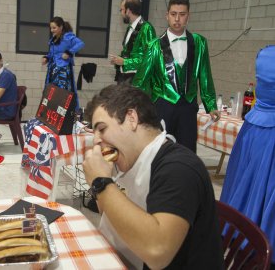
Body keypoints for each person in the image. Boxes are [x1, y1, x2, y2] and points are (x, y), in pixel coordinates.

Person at [82, 84, 224, 269]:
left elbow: (157, 252)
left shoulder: (179, 168)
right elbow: (111, 216)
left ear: (131, 118)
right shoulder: (131, 160)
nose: (97, 140)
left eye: (102, 129)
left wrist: (101, 182)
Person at [133, 0, 220, 153]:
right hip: (163, 105)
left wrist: (211, 104)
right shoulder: (154, 45)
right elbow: (141, 79)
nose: (177, 19)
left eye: (182, 14)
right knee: (160, 150)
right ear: (167, 16)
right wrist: (133, 105)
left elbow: (205, 74)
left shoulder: (200, 42)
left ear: (188, 16)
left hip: (188, 106)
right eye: (173, 14)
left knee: (187, 151)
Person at [220, 45, 275, 266]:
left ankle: (242, 238)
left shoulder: (265, 53)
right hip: (270, 134)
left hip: (253, 128)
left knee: (245, 185)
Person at [109, 0, 156, 84]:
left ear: (128, 11)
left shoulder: (147, 28)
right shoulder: (130, 28)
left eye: (121, 10)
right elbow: (130, 53)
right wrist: (118, 60)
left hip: (137, 80)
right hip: (125, 77)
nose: (121, 13)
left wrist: (124, 61)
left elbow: (149, 58)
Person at [42, 16, 84, 109]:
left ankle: (63, 115)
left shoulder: (67, 37)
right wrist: (46, 58)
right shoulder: (53, 39)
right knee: (52, 92)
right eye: (51, 28)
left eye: (54, 28)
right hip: (52, 70)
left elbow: (80, 43)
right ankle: (52, 113)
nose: (52, 30)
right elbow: (52, 53)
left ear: (61, 27)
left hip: (63, 70)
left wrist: (69, 52)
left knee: (62, 93)